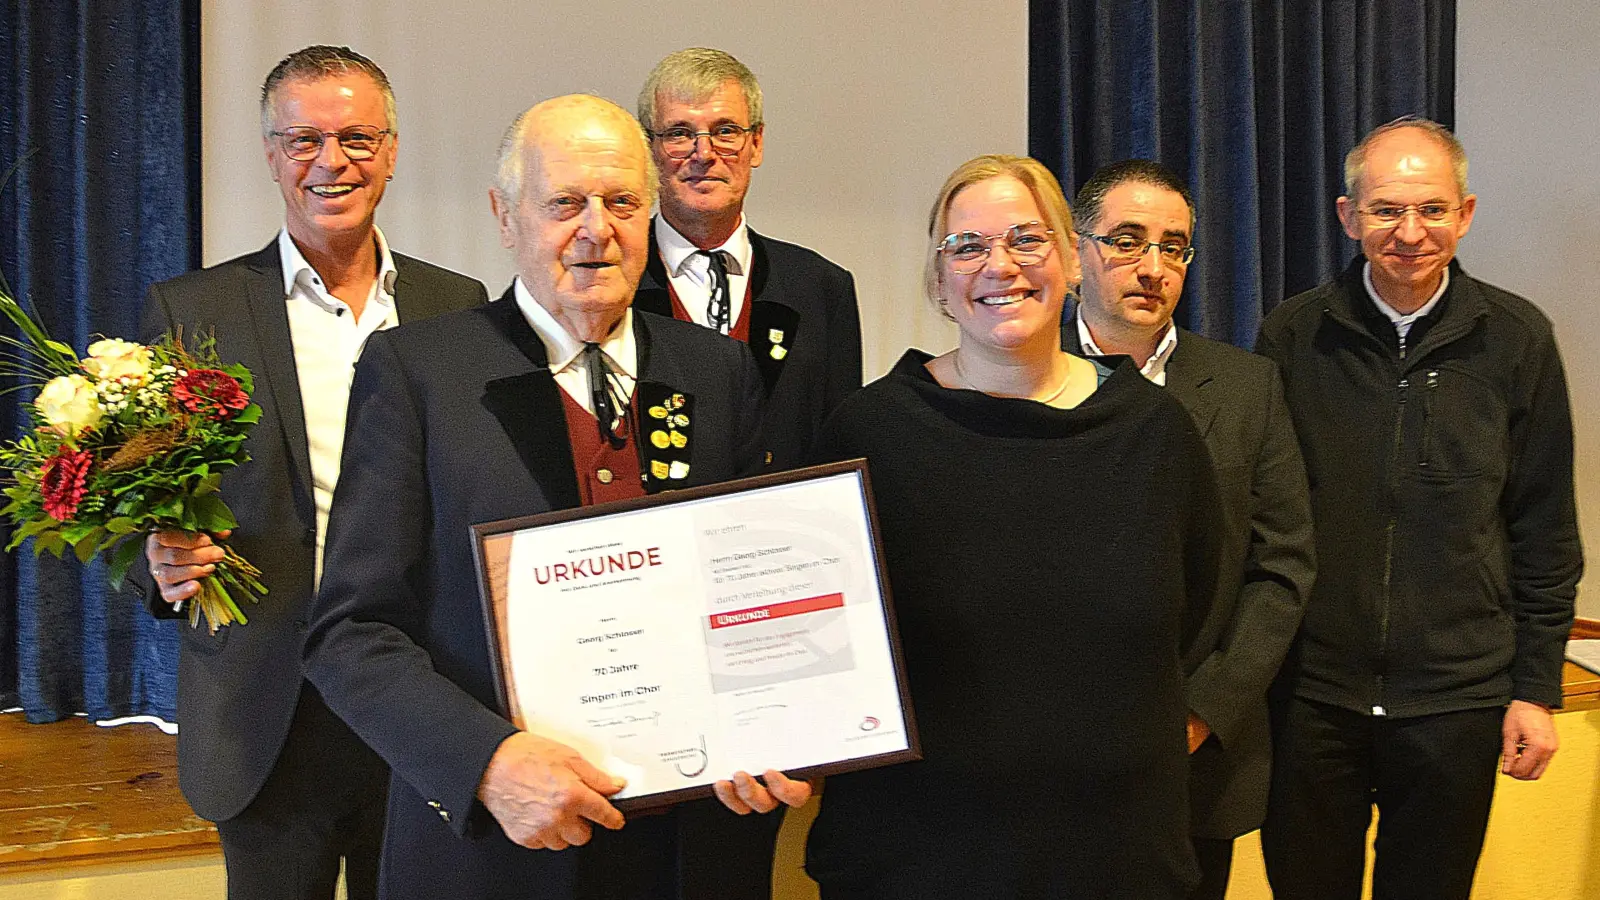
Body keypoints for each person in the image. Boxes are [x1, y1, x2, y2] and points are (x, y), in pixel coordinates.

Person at [300, 94, 809, 900]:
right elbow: (350, 633)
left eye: (621, 202)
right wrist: (487, 764)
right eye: (564, 202)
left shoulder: (718, 371)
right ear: (506, 216)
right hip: (495, 854)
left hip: (693, 848)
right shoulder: (416, 373)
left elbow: (750, 594)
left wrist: (778, 724)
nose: (595, 229)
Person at [803, 154, 1223, 899]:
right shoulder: (867, 435)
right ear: (938, 281)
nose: (1000, 265)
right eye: (967, 246)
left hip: (1115, 858)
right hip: (912, 861)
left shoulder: (1156, 432)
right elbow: (817, 642)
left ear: (1069, 259)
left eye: (1028, 240)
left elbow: (1196, 610)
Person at [139, 45, 487, 900]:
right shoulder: (195, 311)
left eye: (358, 139)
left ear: (394, 152)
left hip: (421, 695)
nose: (332, 162)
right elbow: (147, 503)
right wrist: (159, 559)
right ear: (269, 155)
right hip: (267, 708)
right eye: (303, 140)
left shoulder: (459, 303)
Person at [1256, 116, 1582, 900]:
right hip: (1312, 701)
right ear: (1347, 215)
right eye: (1386, 210)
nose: (1410, 232)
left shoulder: (1518, 340)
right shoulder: (1292, 336)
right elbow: (1259, 521)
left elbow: (1545, 530)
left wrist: (1535, 690)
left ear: (1465, 214)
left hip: (1456, 704)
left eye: (1432, 210)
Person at [1063, 159, 1315, 900]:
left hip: (1194, 759)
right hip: (1049, 756)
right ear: (1077, 251)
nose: (1152, 267)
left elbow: (1284, 567)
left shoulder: (1246, 387)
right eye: (1127, 240)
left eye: (1173, 247)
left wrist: (1205, 708)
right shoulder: (1018, 371)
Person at [634, 48, 861, 469]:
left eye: (725, 131)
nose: (704, 154)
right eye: (680, 133)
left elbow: (841, 451)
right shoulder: (613, 286)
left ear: (755, 144)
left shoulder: (822, 288)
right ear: (649, 149)